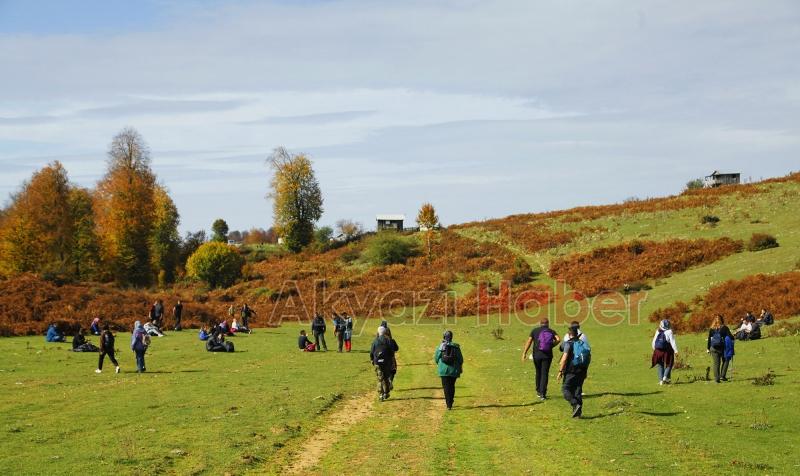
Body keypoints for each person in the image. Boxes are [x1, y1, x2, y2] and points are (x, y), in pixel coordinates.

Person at [522, 318, 561, 400]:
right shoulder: (551, 331)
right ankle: (543, 393)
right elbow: (558, 339)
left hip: (537, 355)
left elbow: (529, 341)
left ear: (540, 323)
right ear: (548, 323)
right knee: (545, 373)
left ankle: (538, 391)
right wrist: (552, 345)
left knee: (538, 372)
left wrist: (524, 353)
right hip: (547, 355)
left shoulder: (535, 331)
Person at [558, 325, 591, 418]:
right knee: (577, 391)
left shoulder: (568, 344)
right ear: (578, 334)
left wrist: (560, 371)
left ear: (569, 335)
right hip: (582, 371)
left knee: (565, 389)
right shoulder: (583, 344)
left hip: (571, 371)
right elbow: (588, 358)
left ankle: (575, 404)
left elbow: (564, 359)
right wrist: (586, 371)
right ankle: (578, 414)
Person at [434, 330, 464, 410]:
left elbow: (436, 358)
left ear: (444, 337)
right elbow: (461, 359)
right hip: (454, 370)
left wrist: (440, 364)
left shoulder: (440, 347)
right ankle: (450, 401)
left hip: (443, 370)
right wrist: (459, 366)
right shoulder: (456, 347)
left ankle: (448, 404)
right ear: (451, 337)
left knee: (446, 387)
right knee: (452, 386)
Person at [559, 320, 589, 396]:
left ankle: (570, 395)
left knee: (567, 383)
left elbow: (564, 347)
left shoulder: (567, 335)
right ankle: (578, 393)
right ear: (579, 326)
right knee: (578, 382)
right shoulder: (583, 335)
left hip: (570, 360)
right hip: (582, 362)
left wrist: (560, 370)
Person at [370, 326, 398, 401]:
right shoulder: (388, 340)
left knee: (380, 378)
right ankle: (386, 393)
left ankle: (380, 394)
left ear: (378, 332)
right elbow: (392, 351)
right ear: (385, 332)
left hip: (377, 362)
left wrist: (372, 360)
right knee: (385, 377)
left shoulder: (375, 341)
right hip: (386, 362)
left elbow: (372, 352)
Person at [651, 319, 678, 385]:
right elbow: (672, 342)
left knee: (660, 365)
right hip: (667, 351)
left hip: (657, 351)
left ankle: (661, 381)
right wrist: (676, 351)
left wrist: (655, 349)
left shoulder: (658, 331)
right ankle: (665, 377)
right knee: (669, 364)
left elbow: (653, 342)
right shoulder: (669, 331)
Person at [707, 315, 733, 382]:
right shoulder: (724, 328)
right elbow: (730, 336)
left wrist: (708, 349)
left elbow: (709, 339)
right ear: (722, 320)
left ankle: (717, 378)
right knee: (725, 360)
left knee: (716, 363)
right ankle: (722, 376)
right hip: (722, 348)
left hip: (713, 348)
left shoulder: (711, 329)